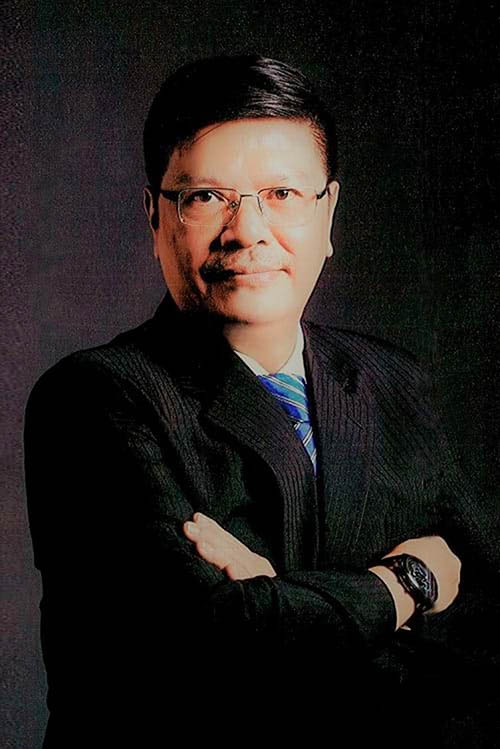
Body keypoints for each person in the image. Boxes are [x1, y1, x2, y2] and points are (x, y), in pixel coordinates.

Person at [24, 55, 499, 747]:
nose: (247, 230)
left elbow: (487, 637)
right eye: (206, 197)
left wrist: (281, 604)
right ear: (155, 218)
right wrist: (407, 584)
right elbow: (211, 652)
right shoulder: (93, 398)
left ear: (328, 213)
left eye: (281, 193)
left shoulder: (393, 382)